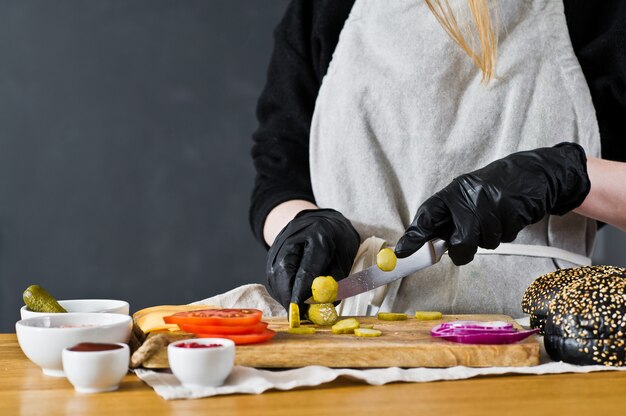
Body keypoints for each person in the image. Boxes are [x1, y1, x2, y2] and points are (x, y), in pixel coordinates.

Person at [250, 0, 626, 318]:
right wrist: (302, 226)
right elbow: (280, 177)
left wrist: (562, 176)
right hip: (355, 349)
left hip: (542, 348)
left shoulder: (597, 8)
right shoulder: (324, 8)